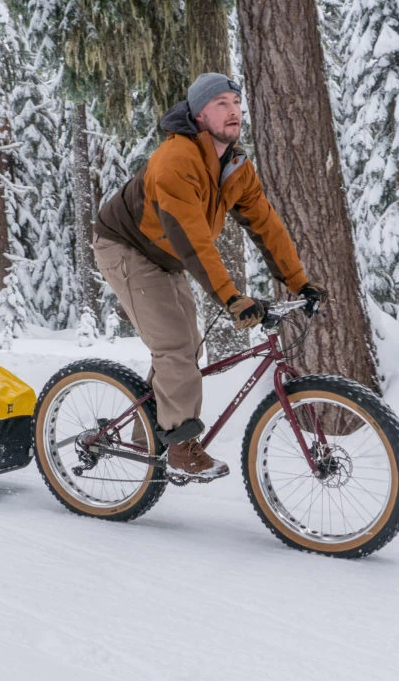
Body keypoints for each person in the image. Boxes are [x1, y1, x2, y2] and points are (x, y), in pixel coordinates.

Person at [93, 72, 326, 480]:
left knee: (185, 350)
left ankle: (146, 439)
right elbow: (193, 241)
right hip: (126, 247)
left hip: (166, 256)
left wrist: (298, 282)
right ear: (199, 115)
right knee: (176, 347)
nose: (234, 111)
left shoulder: (235, 166)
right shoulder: (176, 160)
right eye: (221, 103)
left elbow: (266, 225)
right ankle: (181, 446)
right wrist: (231, 298)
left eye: (236, 103)